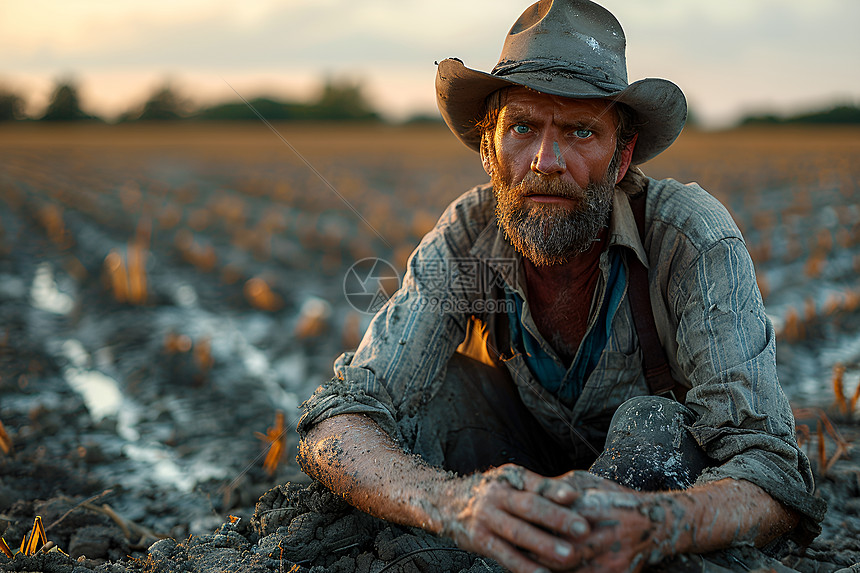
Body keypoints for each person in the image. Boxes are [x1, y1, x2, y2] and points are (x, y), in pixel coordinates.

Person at [297, 1, 826, 571]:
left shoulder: (688, 237)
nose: (546, 161)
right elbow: (339, 419)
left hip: (645, 496)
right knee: (434, 398)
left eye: (580, 131)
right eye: (522, 127)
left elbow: (769, 469)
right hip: (508, 463)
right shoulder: (467, 236)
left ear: (621, 157)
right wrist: (453, 502)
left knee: (653, 430)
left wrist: (660, 525)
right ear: (488, 149)